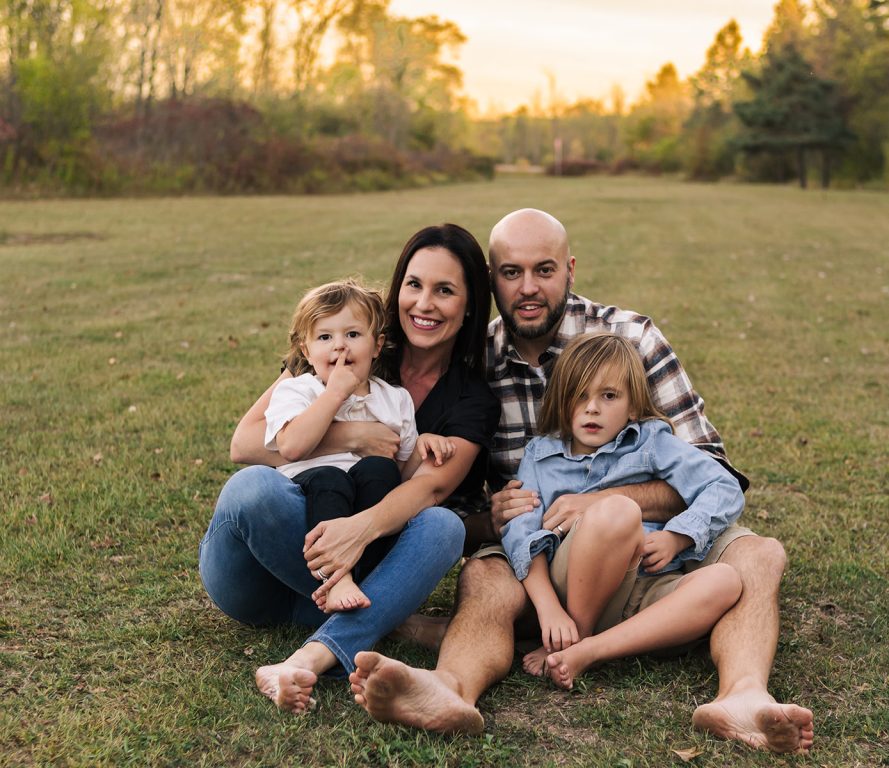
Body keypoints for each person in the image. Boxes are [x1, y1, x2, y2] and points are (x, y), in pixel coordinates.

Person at [350, 209, 814, 753]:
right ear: (491, 281)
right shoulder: (473, 364)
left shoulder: (631, 338)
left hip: (657, 544)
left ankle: (743, 695)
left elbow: (713, 467)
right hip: (543, 549)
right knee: (486, 577)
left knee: (758, 555)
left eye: (544, 270)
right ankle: (450, 688)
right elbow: (451, 503)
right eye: (511, 272)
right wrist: (491, 518)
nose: (528, 288)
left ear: (570, 269)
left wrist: (604, 502)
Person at [198, 223, 500, 714]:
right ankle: (393, 619)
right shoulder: (340, 338)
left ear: (469, 306)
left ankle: (310, 655)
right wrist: (355, 435)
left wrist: (357, 531)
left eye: (445, 290)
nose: (424, 303)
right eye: (414, 284)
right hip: (262, 571)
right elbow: (245, 444)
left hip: (358, 563)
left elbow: (426, 489)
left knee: (443, 527)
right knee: (251, 488)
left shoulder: (468, 398)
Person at [502, 332, 744, 685]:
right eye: (579, 395)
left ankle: (592, 649)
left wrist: (678, 536)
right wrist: (549, 609)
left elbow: (724, 485)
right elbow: (521, 535)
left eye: (609, 395)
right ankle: (576, 634)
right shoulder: (540, 455)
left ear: (632, 407)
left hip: (641, 589)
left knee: (725, 581)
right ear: (562, 401)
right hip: (571, 590)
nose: (592, 408)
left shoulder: (651, 441)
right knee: (617, 510)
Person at [264, 278, 456, 612]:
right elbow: (292, 447)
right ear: (306, 351)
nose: (340, 346)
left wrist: (422, 446)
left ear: (377, 345)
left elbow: (402, 472)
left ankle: (368, 579)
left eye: (352, 334)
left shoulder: (394, 399)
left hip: (365, 517)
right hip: (305, 502)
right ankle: (337, 579)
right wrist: (335, 393)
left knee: (379, 469)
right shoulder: (298, 391)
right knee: (331, 478)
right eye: (325, 337)